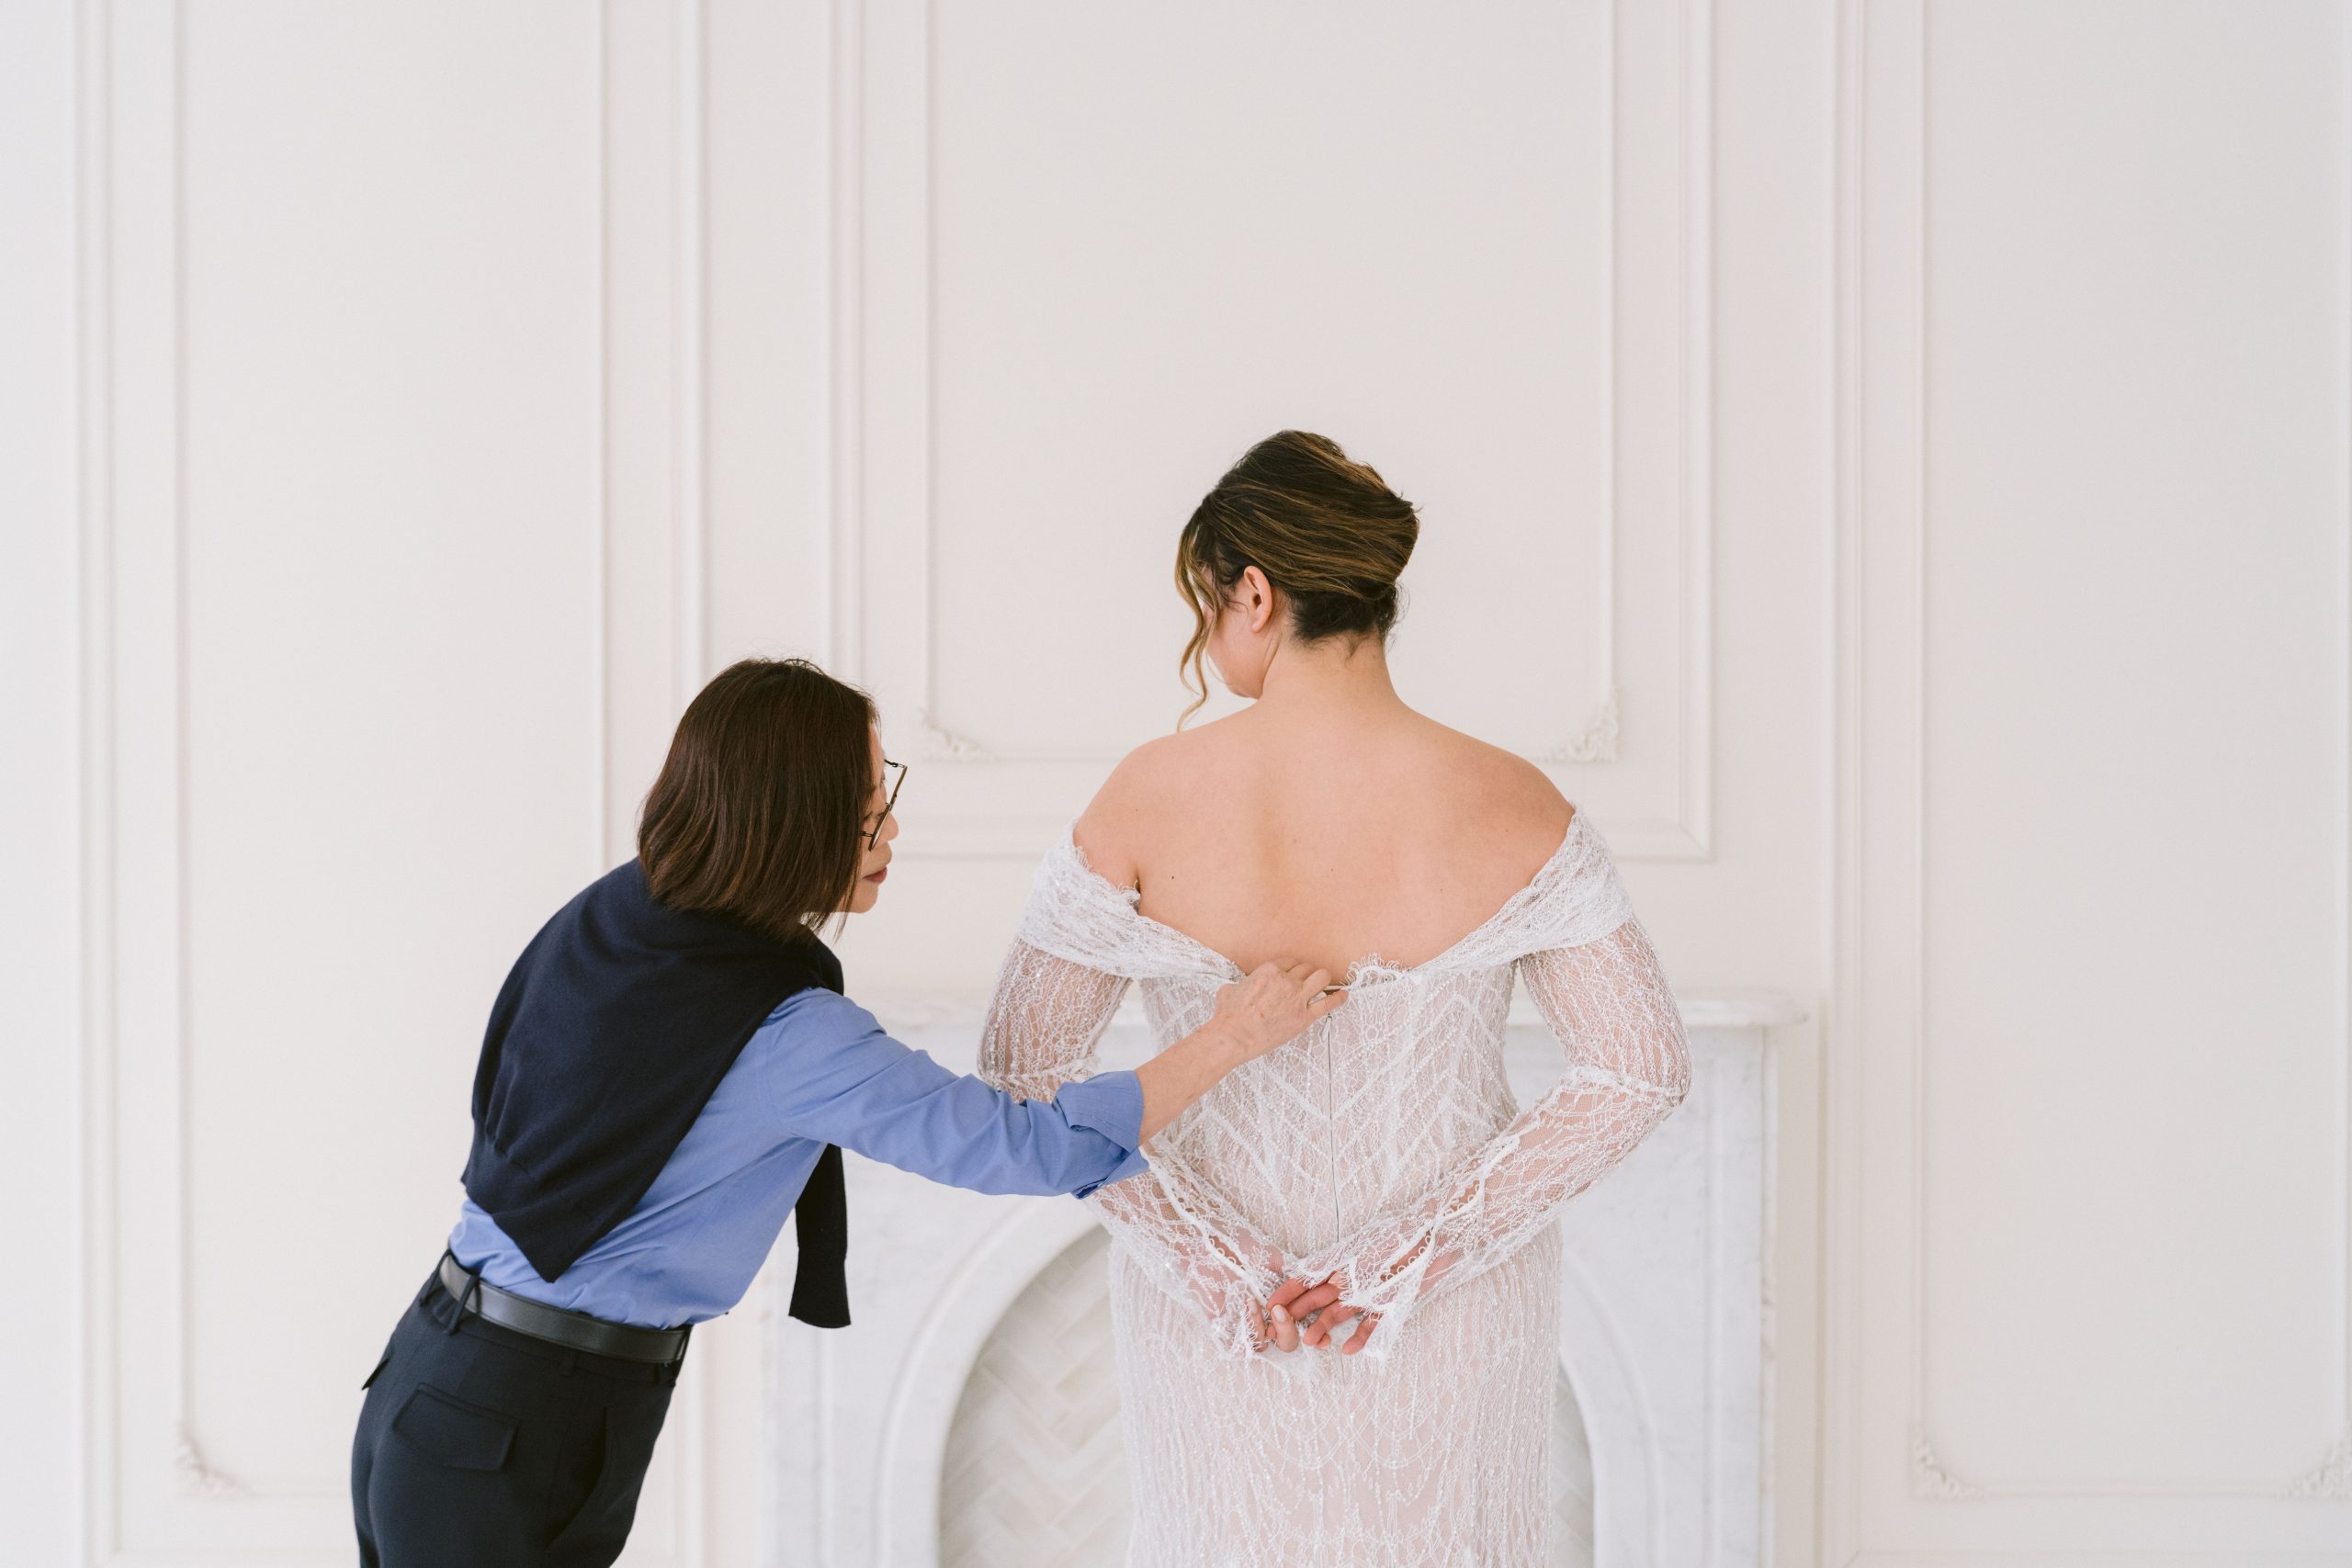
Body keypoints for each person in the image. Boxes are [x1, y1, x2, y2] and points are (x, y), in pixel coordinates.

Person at [348, 656, 1347, 1568]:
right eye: (868, 807)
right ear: (792, 818)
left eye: (884, 795)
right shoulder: (784, 1031)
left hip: (461, 1380)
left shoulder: (627, 914)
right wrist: (1233, 1035)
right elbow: (1026, 1148)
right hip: (521, 1414)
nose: (890, 829)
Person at [975, 430, 1692, 1566]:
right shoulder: (1512, 800)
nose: (1208, 640)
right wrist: (1408, 1256)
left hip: (1216, 1322)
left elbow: (1021, 1072)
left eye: (1206, 606)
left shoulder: (1145, 797)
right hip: (1450, 1316)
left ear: (1252, 592)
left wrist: (1210, 1259)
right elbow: (1638, 1066)